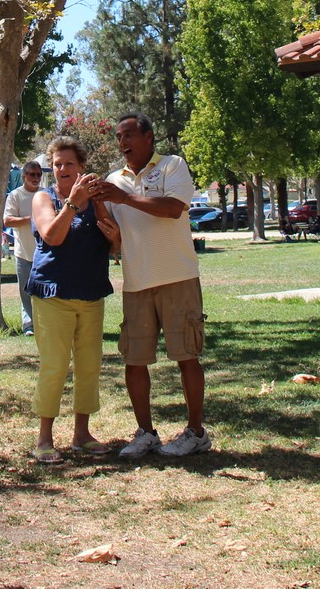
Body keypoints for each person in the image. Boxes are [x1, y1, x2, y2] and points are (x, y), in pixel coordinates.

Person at [95, 113, 210, 458]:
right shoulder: (114, 180)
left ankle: (196, 433)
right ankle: (146, 433)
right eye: (118, 137)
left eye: (128, 135)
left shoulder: (173, 166)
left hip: (178, 277)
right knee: (135, 359)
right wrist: (102, 212)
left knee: (186, 356)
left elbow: (174, 209)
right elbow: (112, 236)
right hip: (136, 282)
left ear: (148, 137)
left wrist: (124, 198)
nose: (122, 143)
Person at [26, 137, 120, 462]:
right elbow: (52, 236)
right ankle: (44, 439)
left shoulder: (95, 200)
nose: (62, 169)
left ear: (81, 167)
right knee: (54, 365)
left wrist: (115, 236)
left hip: (92, 293)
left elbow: (114, 245)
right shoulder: (43, 198)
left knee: (89, 366)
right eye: (57, 164)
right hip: (53, 293)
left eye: (69, 164)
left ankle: (82, 434)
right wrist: (73, 203)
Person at [4, 160, 44, 336]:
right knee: (25, 291)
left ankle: (45, 324)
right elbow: (8, 220)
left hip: (45, 253)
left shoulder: (46, 194)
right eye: (31, 174)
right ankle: (28, 326)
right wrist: (32, 218)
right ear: (24, 176)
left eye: (38, 175)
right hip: (22, 253)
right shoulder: (15, 195)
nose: (35, 178)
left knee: (45, 290)